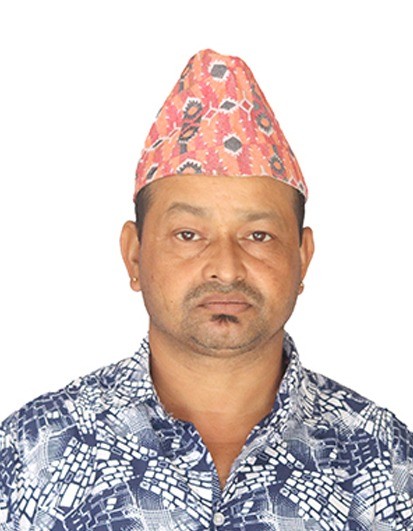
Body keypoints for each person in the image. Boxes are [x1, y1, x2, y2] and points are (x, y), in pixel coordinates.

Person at [0, 49, 412, 530]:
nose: (225, 268)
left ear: (303, 257)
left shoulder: (387, 462)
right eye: (188, 235)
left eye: (258, 236)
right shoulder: (34, 453)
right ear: (134, 255)